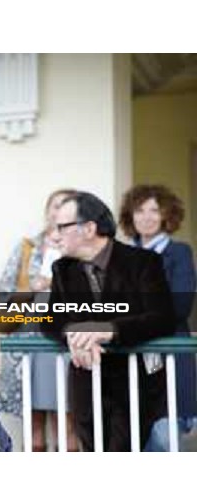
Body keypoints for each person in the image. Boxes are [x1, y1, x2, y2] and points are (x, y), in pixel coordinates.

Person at [41, 191, 175, 451]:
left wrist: (107, 330)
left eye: (62, 227)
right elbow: (51, 321)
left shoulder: (143, 262)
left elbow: (162, 318)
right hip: (86, 385)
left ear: (89, 228)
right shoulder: (63, 269)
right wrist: (74, 334)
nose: (54, 235)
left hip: (135, 386)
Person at [0, 189, 78, 452]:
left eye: (67, 206)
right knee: (33, 427)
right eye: (56, 205)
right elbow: (2, 295)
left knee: (67, 424)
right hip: (26, 345)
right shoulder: (27, 247)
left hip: (65, 345)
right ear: (47, 211)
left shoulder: (80, 249)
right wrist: (31, 288)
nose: (59, 212)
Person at [119, 184, 197, 451]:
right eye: (139, 210)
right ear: (131, 216)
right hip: (127, 364)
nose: (147, 216)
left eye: (155, 210)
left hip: (169, 361)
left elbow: (180, 306)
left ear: (167, 215)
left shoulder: (180, 253)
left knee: (164, 438)